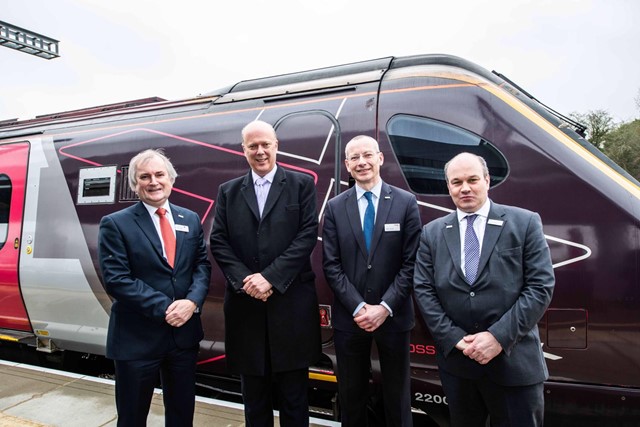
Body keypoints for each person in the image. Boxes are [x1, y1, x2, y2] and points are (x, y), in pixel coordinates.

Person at [413, 152, 555, 427]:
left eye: (472, 179)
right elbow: (423, 289)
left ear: (487, 181)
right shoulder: (432, 233)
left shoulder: (524, 223)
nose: (464, 188)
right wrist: (454, 338)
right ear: (448, 187)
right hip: (459, 366)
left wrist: (497, 337)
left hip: (514, 364)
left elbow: (540, 286)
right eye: (456, 182)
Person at [209, 120, 321, 426]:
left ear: (276, 146)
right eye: (253, 146)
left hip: (291, 305)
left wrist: (270, 277)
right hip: (247, 307)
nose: (260, 152)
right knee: (254, 396)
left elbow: (307, 235)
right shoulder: (229, 192)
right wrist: (248, 281)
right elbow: (218, 240)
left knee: (294, 395)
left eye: (265, 144)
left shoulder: (301, 185)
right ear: (243, 150)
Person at [98, 149, 211, 427]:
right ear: (135, 184)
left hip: (183, 338)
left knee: (182, 415)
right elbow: (117, 279)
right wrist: (168, 308)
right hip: (136, 340)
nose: (153, 182)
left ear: (171, 180)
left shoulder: (190, 219)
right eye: (144, 177)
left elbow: (201, 266)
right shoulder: (116, 223)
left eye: (160, 175)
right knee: (132, 417)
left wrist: (192, 302)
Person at [322, 135, 421, 426]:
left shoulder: (405, 202)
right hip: (350, 319)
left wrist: (385, 306)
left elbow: (412, 263)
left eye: (367, 155)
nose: (362, 162)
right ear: (347, 165)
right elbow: (331, 264)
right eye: (355, 158)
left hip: (394, 316)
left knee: (398, 396)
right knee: (351, 395)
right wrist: (358, 307)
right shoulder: (335, 207)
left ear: (380, 158)